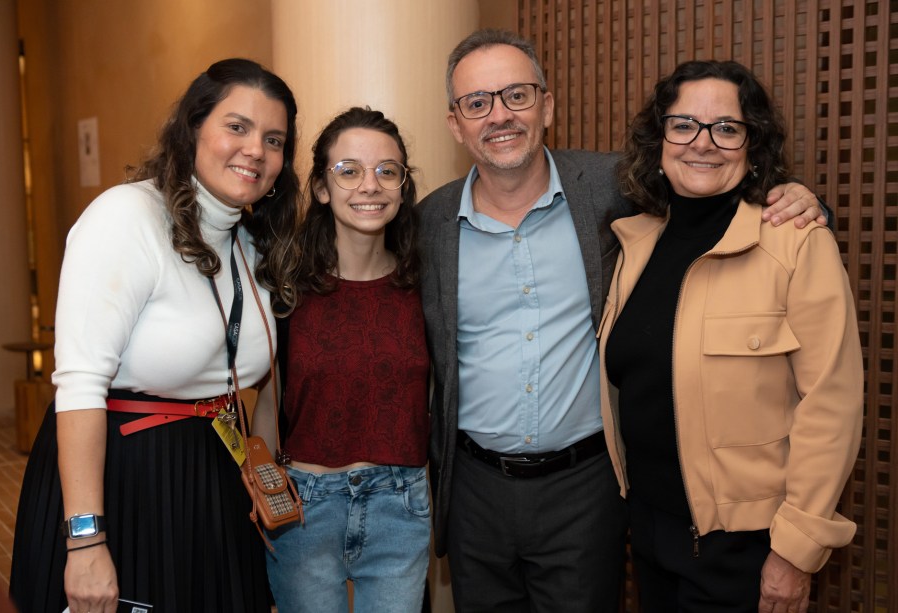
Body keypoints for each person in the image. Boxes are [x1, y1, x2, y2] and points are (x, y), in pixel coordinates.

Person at [418, 29, 828, 613]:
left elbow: (714, 179)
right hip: (474, 493)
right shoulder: (428, 222)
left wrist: (801, 200)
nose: (500, 116)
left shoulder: (614, 187)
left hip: (585, 489)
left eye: (517, 95)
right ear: (456, 124)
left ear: (548, 105)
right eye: (477, 103)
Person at [9, 58, 301, 613]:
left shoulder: (253, 243)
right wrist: (87, 539)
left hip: (209, 477)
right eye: (236, 127)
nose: (256, 150)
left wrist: (267, 473)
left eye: (273, 139)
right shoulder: (126, 218)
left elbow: (256, 374)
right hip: (121, 480)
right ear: (193, 128)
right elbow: (78, 387)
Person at [599, 59, 863, 612]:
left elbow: (831, 404)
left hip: (747, 546)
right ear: (659, 138)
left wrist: (795, 551)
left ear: (752, 144)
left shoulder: (794, 242)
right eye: (683, 124)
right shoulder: (636, 243)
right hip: (647, 529)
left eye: (726, 128)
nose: (703, 143)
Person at [265, 107, 430, 612]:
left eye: (387, 171)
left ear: (402, 186)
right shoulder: (285, 285)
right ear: (321, 187)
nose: (370, 186)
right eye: (349, 171)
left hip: (401, 503)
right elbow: (268, 399)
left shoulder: (426, 283)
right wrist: (265, 491)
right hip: (305, 504)